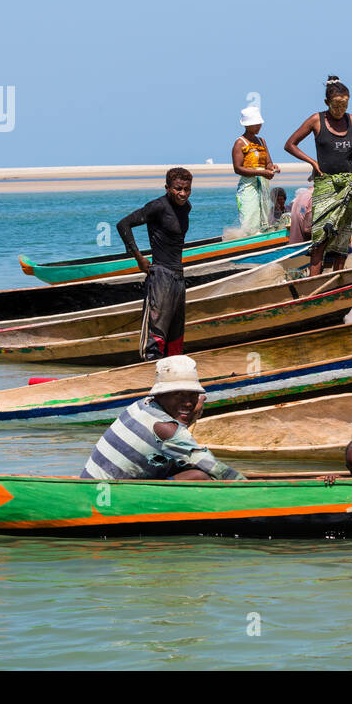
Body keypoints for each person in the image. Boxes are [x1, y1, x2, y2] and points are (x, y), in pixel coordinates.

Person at [80, 356, 244, 481]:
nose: (187, 402)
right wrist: (250, 487)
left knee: (182, 466)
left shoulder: (141, 406)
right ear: (161, 395)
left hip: (95, 484)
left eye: (193, 395)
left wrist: (191, 416)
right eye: (178, 394)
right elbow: (218, 470)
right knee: (199, 476)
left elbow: (173, 444)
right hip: (110, 496)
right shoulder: (167, 429)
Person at [285, 76, 352, 274]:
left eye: (344, 104)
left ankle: (337, 277)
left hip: (349, 186)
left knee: (343, 234)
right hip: (326, 185)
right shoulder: (317, 120)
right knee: (321, 236)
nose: (340, 109)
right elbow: (290, 144)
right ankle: (313, 281)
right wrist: (312, 161)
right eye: (336, 105)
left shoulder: (351, 121)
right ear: (327, 103)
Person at [117, 167, 192, 359]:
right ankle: (149, 372)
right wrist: (139, 258)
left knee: (176, 337)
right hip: (160, 277)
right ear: (168, 188)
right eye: (178, 189)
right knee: (156, 336)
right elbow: (123, 224)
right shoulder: (158, 207)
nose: (183, 193)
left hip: (178, 277)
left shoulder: (186, 207)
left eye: (187, 189)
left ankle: (173, 379)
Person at [232, 107, 280, 234]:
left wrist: (272, 168)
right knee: (249, 214)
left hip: (263, 183)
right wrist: (261, 172)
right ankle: (248, 241)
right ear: (247, 125)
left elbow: (268, 163)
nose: (259, 126)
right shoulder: (240, 143)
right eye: (256, 124)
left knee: (263, 215)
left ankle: (261, 239)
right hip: (248, 185)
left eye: (260, 124)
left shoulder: (261, 141)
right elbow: (238, 168)